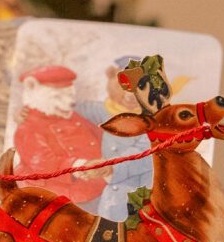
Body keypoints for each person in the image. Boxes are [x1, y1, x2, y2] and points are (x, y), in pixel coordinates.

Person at [13, 65, 105, 211]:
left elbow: (96, 134)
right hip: (62, 197)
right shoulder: (29, 128)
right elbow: (44, 164)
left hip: (94, 184)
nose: (69, 102)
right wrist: (77, 165)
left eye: (69, 95)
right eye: (58, 97)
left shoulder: (68, 115)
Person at [77, 56, 154, 221]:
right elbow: (73, 110)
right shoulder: (106, 110)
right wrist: (30, 112)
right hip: (110, 194)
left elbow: (143, 153)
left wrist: (111, 168)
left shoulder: (152, 119)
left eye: (139, 87)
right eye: (124, 87)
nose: (131, 95)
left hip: (139, 193)